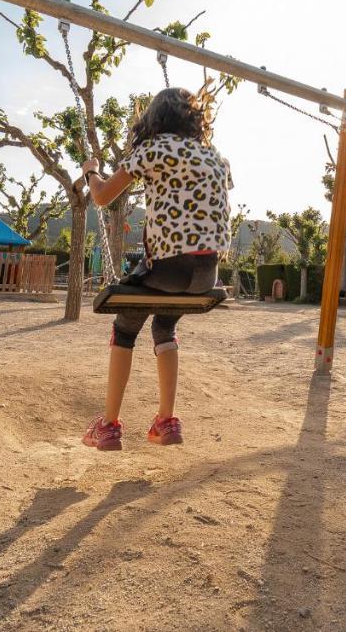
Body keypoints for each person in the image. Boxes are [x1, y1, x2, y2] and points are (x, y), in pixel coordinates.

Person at [79, 87, 233, 451]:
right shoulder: (216, 157)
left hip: (169, 269)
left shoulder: (151, 149)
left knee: (126, 326)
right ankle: (167, 421)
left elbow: (101, 197)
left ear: (154, 120)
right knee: (163, 324)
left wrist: (91, 172)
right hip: (207, 274)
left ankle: (109, 425)